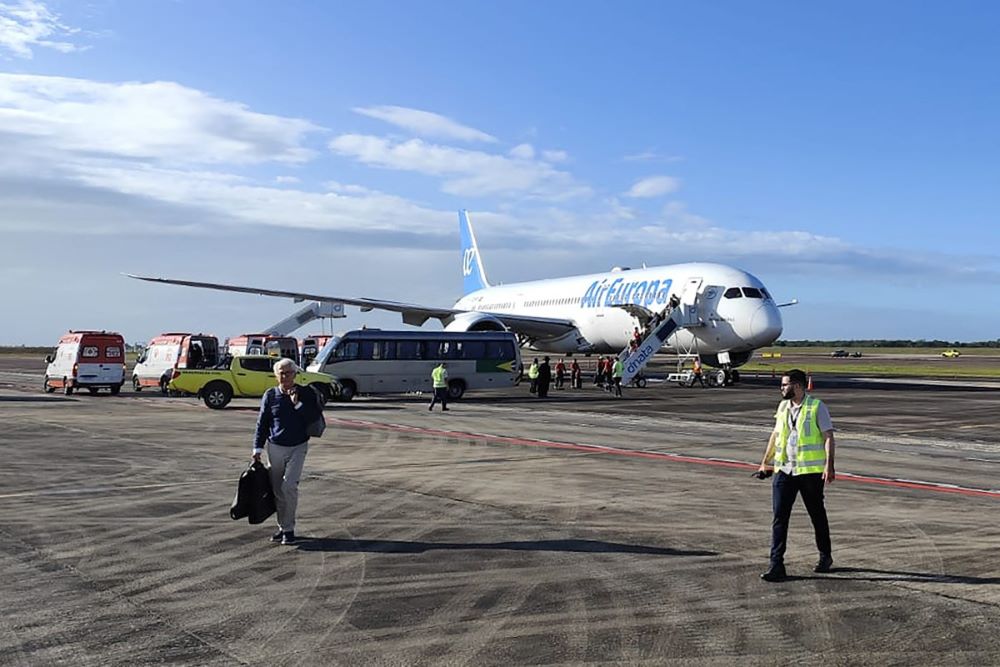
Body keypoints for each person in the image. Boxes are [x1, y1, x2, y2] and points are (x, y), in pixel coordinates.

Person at [756, 369, 836, 582]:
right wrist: (765, 462)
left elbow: (828, 437)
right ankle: (776, 565)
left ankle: (825, 555)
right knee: (779, 518)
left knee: (817, 515)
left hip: (809, 473)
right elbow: (775, 435)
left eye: (785, 385)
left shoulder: (817, 407)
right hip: (784, 470)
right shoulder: (782, 407)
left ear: (798, 386)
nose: (782, 388)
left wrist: (829, 466)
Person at [252, 358, 323, 546]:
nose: (285, 377)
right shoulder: (270, 395)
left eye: (289, 373)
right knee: (278, 491)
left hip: (298, 446)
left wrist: (297, 404)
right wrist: (257, 448)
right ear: (276, 376)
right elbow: (262, 423)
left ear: (295, 374)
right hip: (275, 447)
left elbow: (313, 417)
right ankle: (283, 527)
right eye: (281, 373)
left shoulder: (305, 393)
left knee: (288, 487)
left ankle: (289, 529)